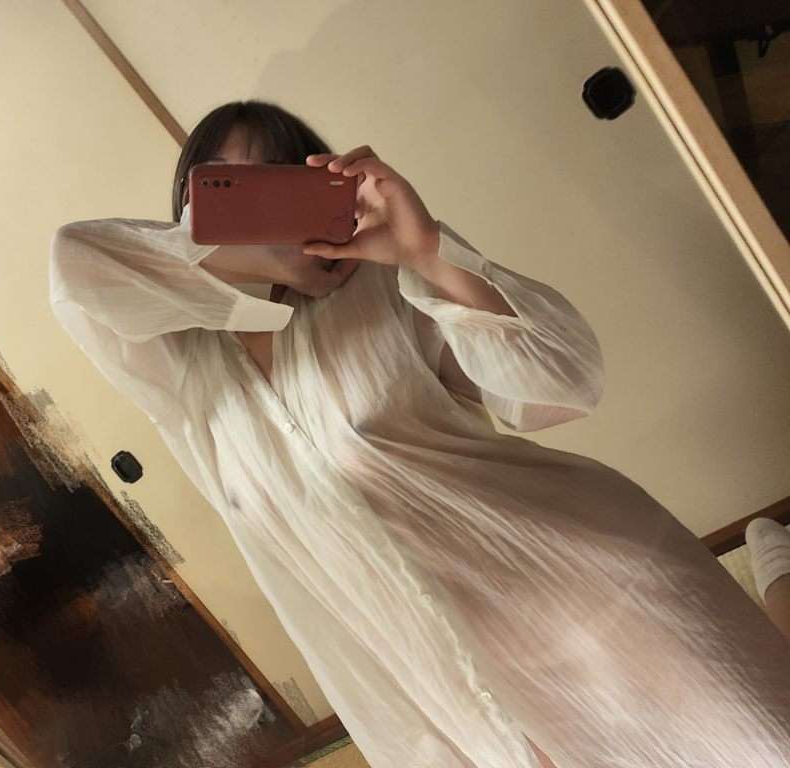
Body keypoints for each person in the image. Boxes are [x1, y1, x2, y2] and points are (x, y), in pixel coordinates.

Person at [48, 100, 790, 768]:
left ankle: (776, 561)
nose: (259, 208)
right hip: (460, 700)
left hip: (599, 601)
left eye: (280, 184)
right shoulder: (179, 366)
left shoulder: (389, 276)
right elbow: (75, 266)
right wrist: (262, 254)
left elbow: (562, 382)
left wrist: (429, 252)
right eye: (227, 192)